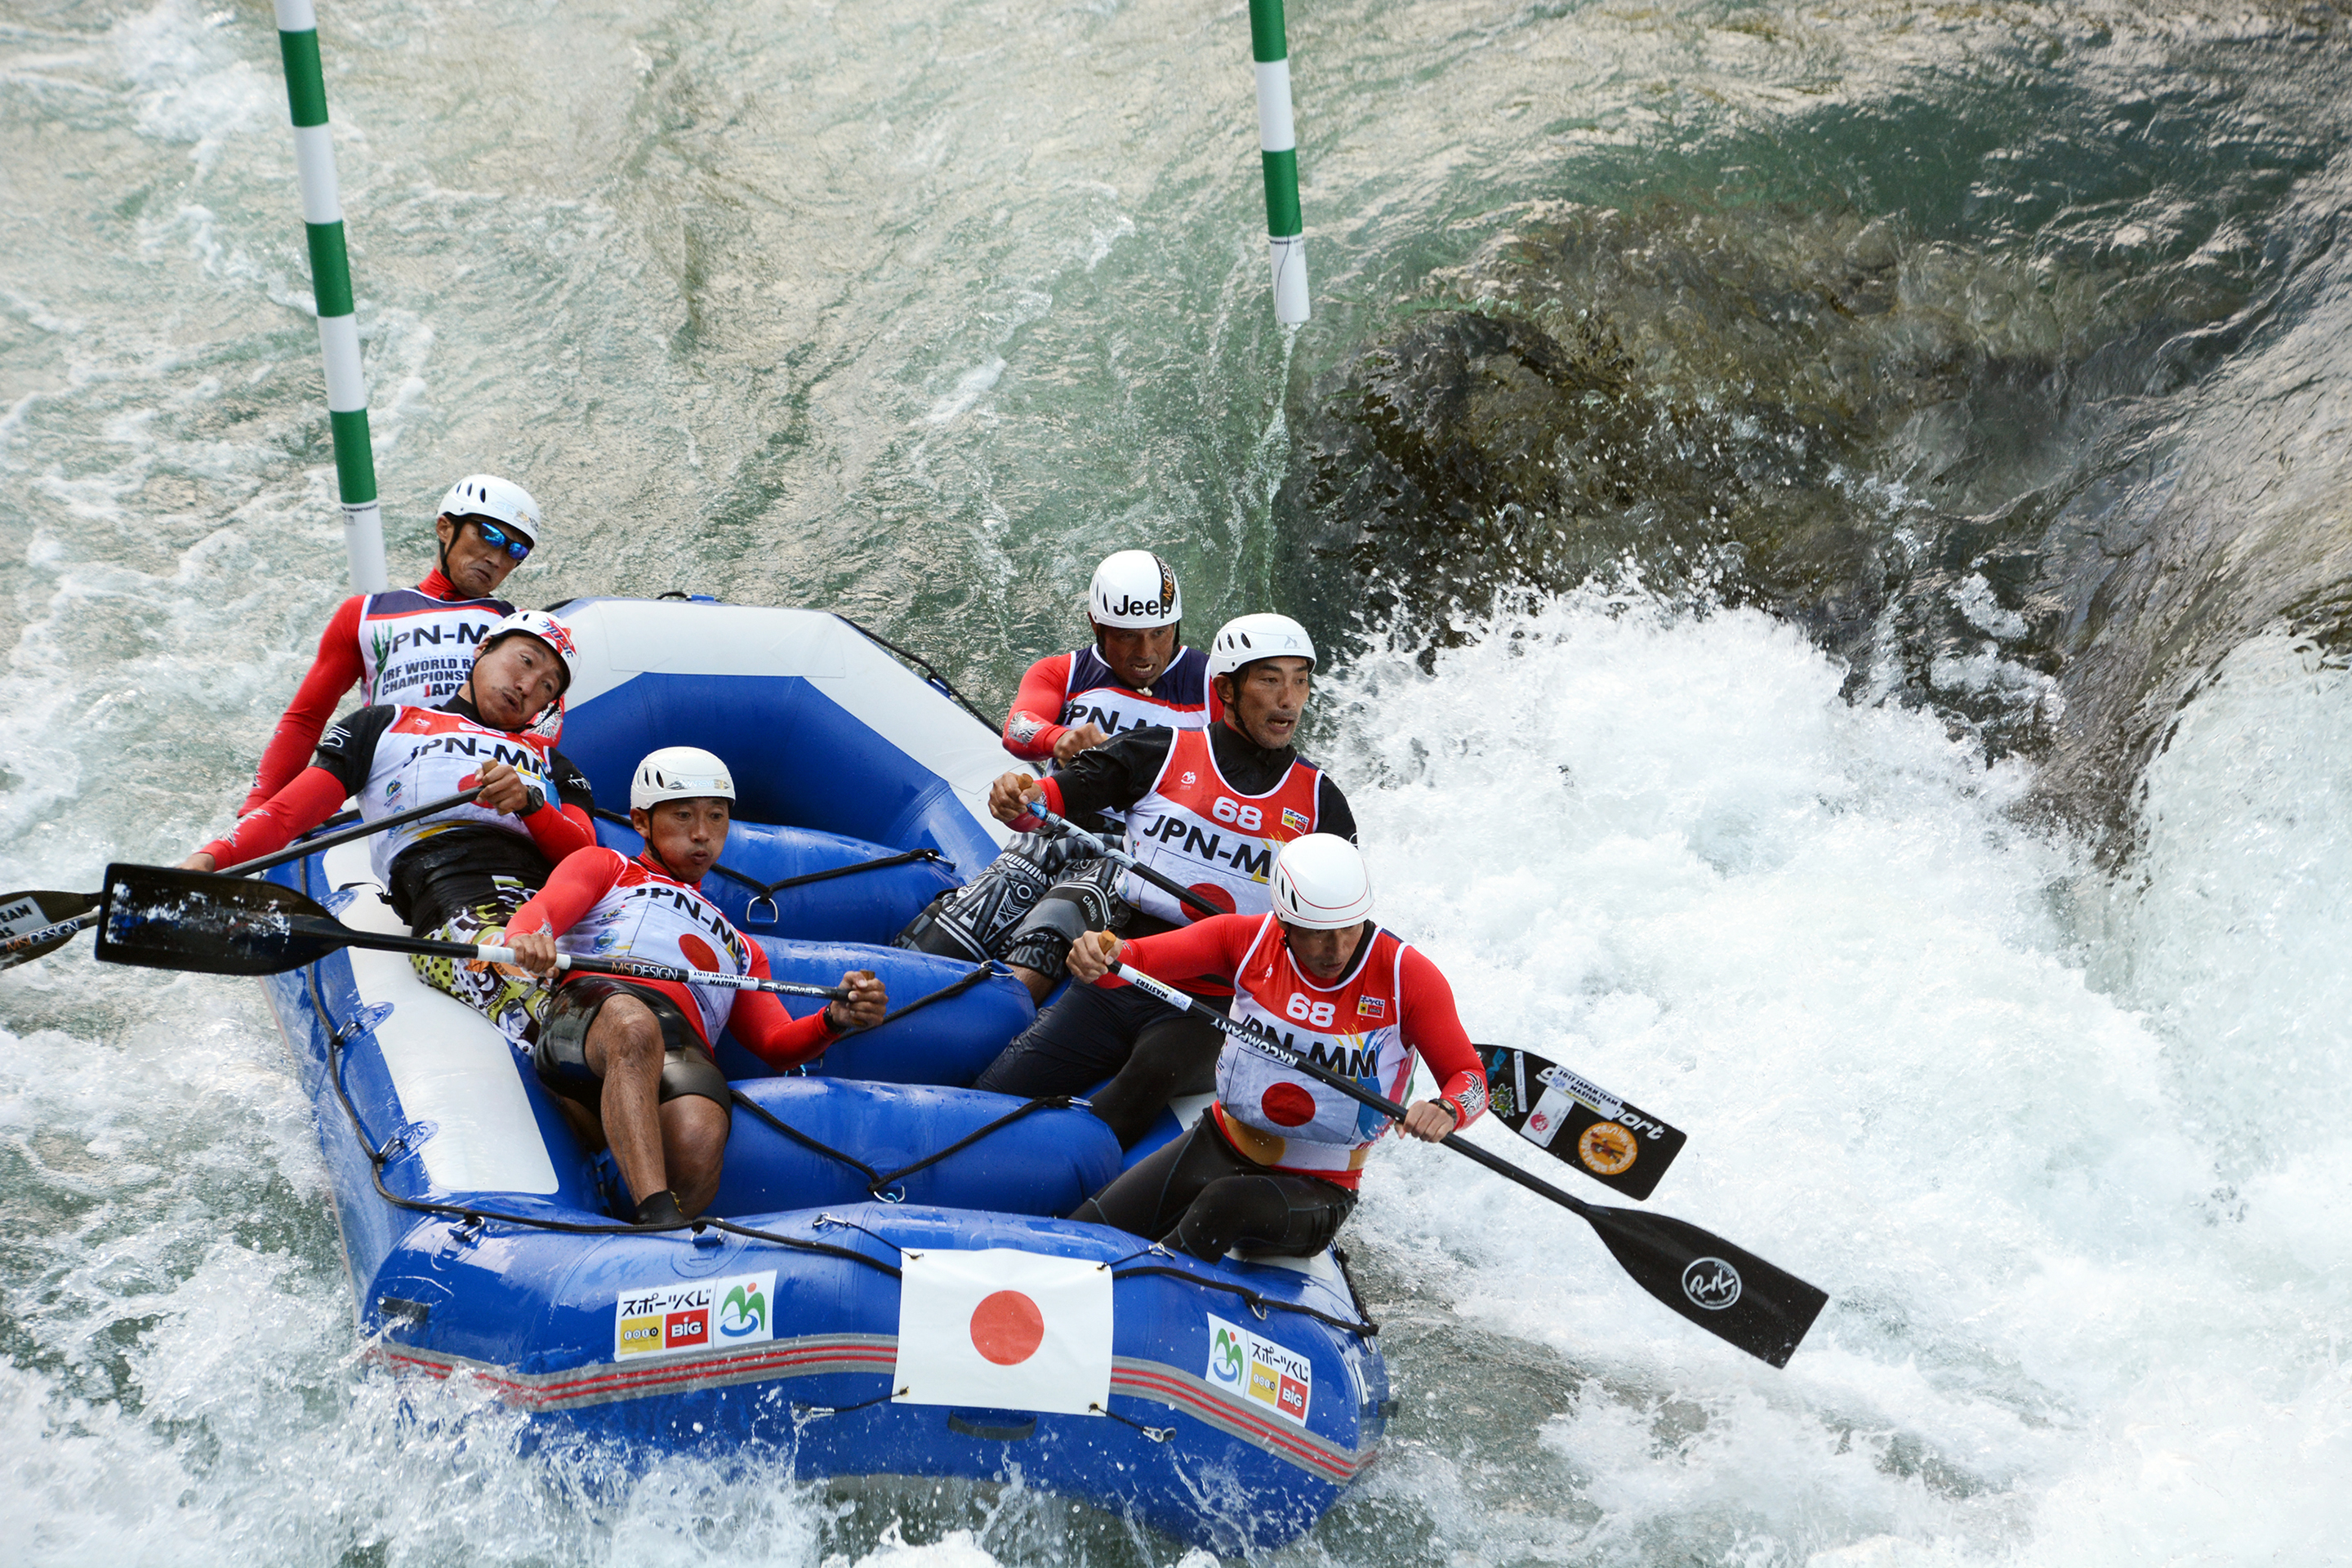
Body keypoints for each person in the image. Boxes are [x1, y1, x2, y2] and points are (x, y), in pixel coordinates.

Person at [969, 613, 1356, 1145]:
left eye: (1300, 679)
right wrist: (1015, 798)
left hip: (1220, 1005)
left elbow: (1343, 934)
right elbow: (1048, 804)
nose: (1289, 698)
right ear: (1226, 687)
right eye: (1270, 679)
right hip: (1125, 966)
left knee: (1150, 1072)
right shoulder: (1159, 751)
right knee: (1002, 1083)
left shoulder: (1321, 804)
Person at [497, 747, 889, 1226]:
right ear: (642, 822)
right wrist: (528, 941)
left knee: (700, 1139)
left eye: (716, 818)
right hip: (595, 1011)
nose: (702, 834)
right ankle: (658, 1216)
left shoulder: (744, 947)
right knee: (634, 1028)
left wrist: (834, 1018)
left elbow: (776, 1045)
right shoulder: (605, 866)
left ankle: (635, 1224)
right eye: (683, 816)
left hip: (683, 1043)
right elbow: (534, 920)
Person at [1065, 835, 1487, 1261]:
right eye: (1319, 933)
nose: (1337, 949)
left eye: (1349, 926)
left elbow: (1471, 1079)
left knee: (1223, 1203)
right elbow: (1130, 961)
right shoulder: (1246, 939)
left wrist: (1447, 1109)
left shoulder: (1406, 976)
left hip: (1320, 1185)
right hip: (1218, 1142)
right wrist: (1100, 953)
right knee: (1079, 1234)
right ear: (1284, 922)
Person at [183, 610, 595, 1038]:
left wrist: (530, 806)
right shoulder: (383, 725)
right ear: (482, 650)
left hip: (559, 915)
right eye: (525, 662)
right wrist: (210, 859)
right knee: (583, 1028)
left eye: (547, 686)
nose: (527, 686)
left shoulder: (557, 767)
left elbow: (587, 856)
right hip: (458, 905)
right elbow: (286, 815)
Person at [898, 550, 1219, 1000]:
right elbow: (1018, 728)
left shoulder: (1210, 683)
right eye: (1128, 637)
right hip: (1051, 829)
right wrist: (1059, 739)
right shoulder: (1064, 671)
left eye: (1159, 633)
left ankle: (1000, 1023)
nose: (1146, 654)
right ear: (1097, 626)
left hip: (1131, 849)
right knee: (950, 930)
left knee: (1052, 928)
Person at [240, 474, 552, 813]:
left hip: (485, 797)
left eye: (514, 550)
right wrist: (255, 808)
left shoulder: (526, 633)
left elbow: (542, 738)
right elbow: (306, 720)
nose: (496, 558)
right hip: (392, 800)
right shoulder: (362, 615)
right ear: (445, 528)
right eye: (488, 535)